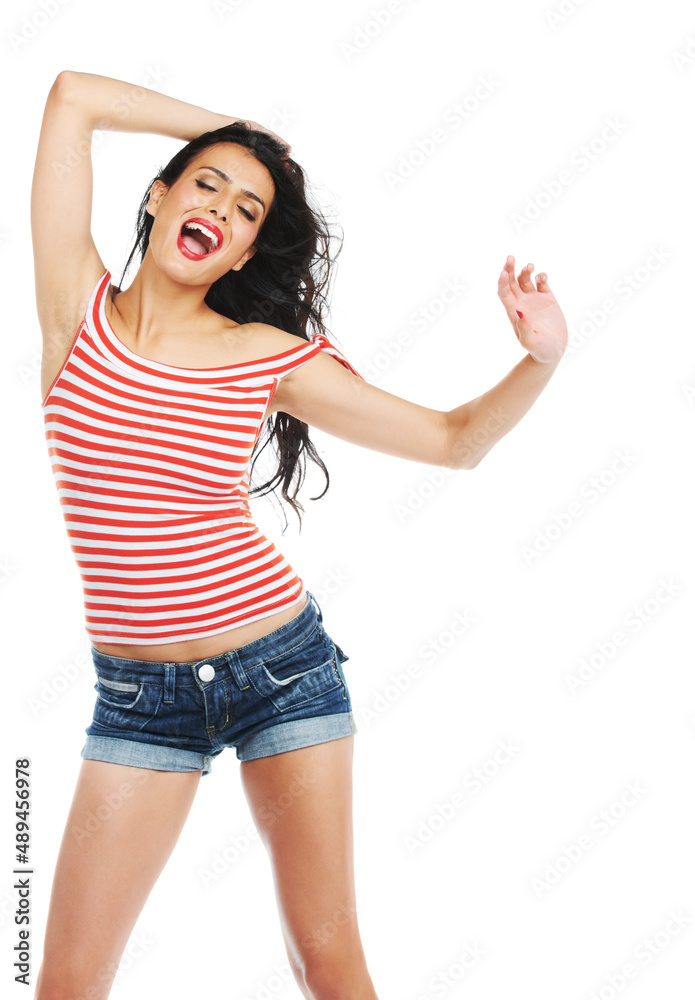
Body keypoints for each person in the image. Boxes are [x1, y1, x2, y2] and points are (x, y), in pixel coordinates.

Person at [31, 71, 568, 1000]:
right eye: (205, 185)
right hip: (135, 700)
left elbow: (452, 442)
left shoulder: (264, 358)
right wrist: (243, 133)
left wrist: (538, 359)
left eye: (247, 211)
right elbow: (72, 97)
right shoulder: (74, 313)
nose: (222, 211)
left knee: (325, 966)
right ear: (156, 197)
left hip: (278, 669)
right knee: (70, 982)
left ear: (242, 256)